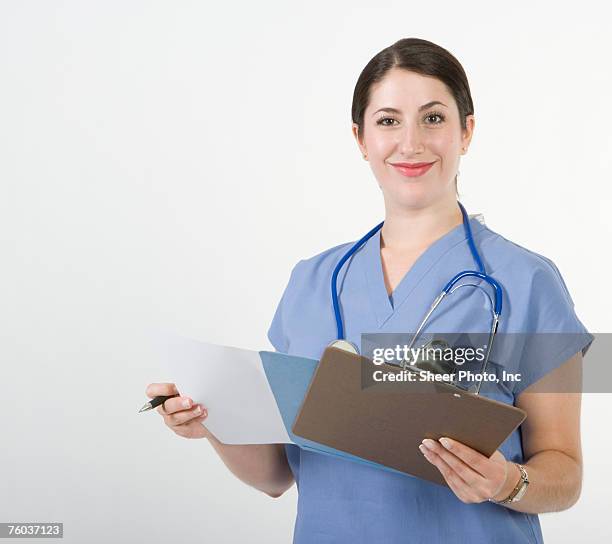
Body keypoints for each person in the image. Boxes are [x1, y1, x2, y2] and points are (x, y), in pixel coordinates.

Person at [145, 38, 593, 543]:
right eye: (387, 121)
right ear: (361, 139)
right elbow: (276, 475)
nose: (411, 143)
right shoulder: (312, 282)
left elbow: (566, 472)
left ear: (466, 131)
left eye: (433, 118)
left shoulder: (526, 281)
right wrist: (211, 422)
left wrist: (507, 483)